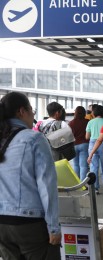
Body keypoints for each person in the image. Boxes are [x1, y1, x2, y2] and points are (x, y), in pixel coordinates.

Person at [0, 92, 61, 259]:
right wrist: (54, 227)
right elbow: (46, 185)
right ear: (22, 111)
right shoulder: (34, 139)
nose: (33, 114)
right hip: (29, 224)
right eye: (31, 110)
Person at [86, 105, 103, 193]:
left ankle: (95, 187)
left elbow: (87, 136)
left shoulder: (90, 122)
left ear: (94, 113)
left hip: (92, 143)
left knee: (93, 166)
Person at [69, 106, 90, 180]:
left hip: (74, 145)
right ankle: (82, 184)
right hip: (85, 144)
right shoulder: (87, 122)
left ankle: (77, 183)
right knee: (83, 166)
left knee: (76, 165)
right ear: (84, 113)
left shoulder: (71, 123)